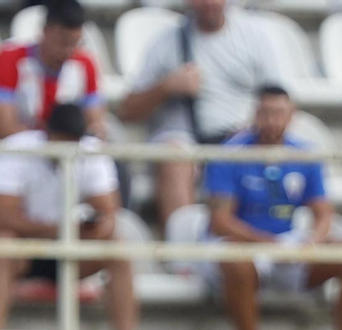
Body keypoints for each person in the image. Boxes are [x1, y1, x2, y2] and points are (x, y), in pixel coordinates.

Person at [0, 104, 149, 330]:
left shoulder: (91, 151)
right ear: (47, 133)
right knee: (2, 245)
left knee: (117, 249)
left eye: (74, 141)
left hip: (65, 252)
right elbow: (5, 219)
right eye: (64, 140)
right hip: (23, 252)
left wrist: (90, 229)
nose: (69, 148)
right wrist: (65, 230)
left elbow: (108, 217)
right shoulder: (15, 149)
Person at [204, 86, 342, 330]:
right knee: (236, 262)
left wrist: (313, 241)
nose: (272, 120)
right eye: (265, 113)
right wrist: (271, 244)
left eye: (279, 113)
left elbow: (324, 213)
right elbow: (220, 221)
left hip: (286, 242)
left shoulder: (304, 155)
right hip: (244, 244)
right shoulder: (230, 153)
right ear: (254, 115)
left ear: (292, 115)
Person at [116, 0, 285, 225]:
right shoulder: (165, 42)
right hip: (183, 140)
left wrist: (255, 128)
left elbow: (281, 102)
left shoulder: (255, 38)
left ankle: (255, 247)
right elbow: (127, 111)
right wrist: (166, 86)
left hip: (239, 136)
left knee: (258, 151)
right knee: (172, 156)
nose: (209, 3)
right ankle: (182, 252)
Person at [0, 0, 105, 141]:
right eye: (63, 43)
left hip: (59, 153)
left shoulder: (85, 64)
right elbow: (3, 129)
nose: (68, 51)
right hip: (4, 151)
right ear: (45, 31)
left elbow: (95, 127)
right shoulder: (9, 60)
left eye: (75, 43)